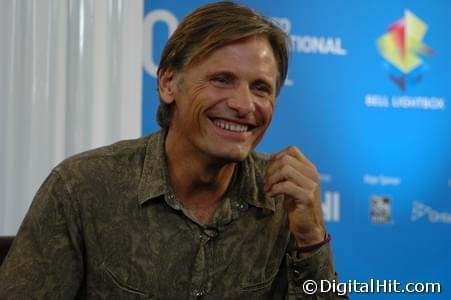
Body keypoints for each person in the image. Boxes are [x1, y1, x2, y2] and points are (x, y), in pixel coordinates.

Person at [0, 2, 346, 299]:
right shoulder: (80, 188)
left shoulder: (283, 200)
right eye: (222, 79)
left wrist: (311, 239)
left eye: (260, 88)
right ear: (168, 83)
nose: (244, 105)